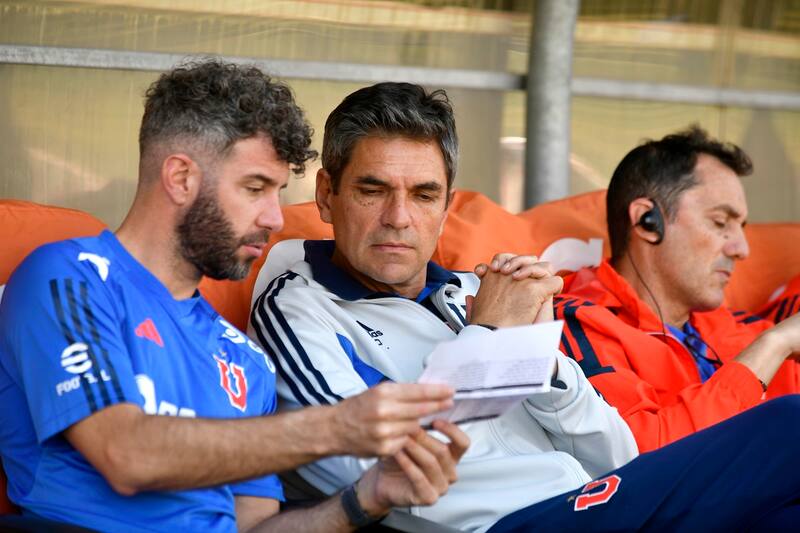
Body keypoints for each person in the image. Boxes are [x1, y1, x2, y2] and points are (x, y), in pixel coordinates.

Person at [249, 82, 800, 532]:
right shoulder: (299, 306)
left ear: (446, 207)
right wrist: (489, 332)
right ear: (326, 195)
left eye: (423, 195)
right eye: (373, 190)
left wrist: (540, 360)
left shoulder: (467, 289)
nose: (399, 217)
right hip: (508, 525)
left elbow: (616, 452)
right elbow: (370, 475)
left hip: (590, 500)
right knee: (789, 426)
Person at [0, 60, 470, 533]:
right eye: (255, 188)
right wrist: (336, 426)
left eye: (279, 192)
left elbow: (253, 527)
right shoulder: (71, 278)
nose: (275, 219)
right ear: (181, 178)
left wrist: (365, 500)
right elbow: (125, 454)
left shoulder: (243, 356)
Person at [553, 126, 800, 452]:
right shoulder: (577, 324)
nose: (741, 249)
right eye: (720, 222)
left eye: (741, 227)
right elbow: (640, 453)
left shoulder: (736, 328)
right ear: (647, 221)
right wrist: (774, 346)